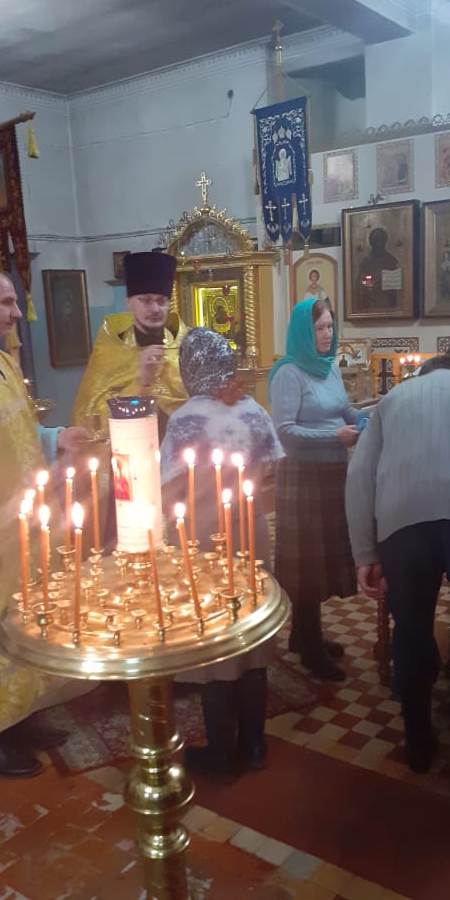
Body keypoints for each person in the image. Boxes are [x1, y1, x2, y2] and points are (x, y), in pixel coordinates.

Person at [345, 356, 450, 774]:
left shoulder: (394, 398)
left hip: (402, 517)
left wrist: (365, 553)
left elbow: (359, 475)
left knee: (410, 626)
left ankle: (418, 738)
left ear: (422, 375)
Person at [160, 327, 284, 783]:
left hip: (203, 540)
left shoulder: (185, 420)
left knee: (213, 643)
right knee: (251, 639)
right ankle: (254, 744)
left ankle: (220, 752)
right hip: (251, 535)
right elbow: (269, 472)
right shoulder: (253, 410)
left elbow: (167, 487)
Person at [0, 269, 92, 778]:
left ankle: (24, 719)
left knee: (28, 624)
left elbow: (22, 429)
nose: (17, 313)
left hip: (25, 527)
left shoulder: (3, 362)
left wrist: (57, 438)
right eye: (7, 303)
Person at [269, 298, 365, 683]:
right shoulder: (289, 372)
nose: (326, 334)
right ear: (303, 332)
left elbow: (342, 410)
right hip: (302, 476)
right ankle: (309, 647)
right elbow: (285, 432)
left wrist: (365, 417)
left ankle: (302, 634)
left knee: (323, 559)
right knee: (307, 563)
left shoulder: (329, 366)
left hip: (332, 473)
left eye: (329, 327)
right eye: (319, 328)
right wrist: (334, 436)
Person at [72, 250, 188, 544]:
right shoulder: (111, 350)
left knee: (181, 541)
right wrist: (142, 383)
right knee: (132, 541)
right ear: (129, 301)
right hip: (126, 465)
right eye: (145, 300)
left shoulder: (184, 346)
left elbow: (194, 407)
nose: (154, 308)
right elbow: (92, 416)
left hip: (175, 463)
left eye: (161, 301)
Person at [357, 227, 401, 311]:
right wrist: (369, 284)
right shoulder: (366, 262)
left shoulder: (391, 261)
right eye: (376, 240)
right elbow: (361, 284)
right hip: (370, 303)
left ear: (384, 241)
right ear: (371, 242)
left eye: (380, 239)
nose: (378, 243)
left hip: (388, 304)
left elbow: (396, 288)